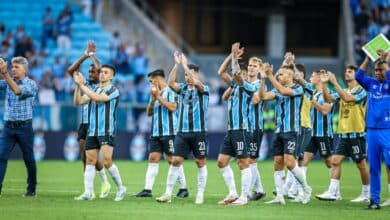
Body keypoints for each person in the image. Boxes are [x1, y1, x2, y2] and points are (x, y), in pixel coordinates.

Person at [156, 52, 209, 204]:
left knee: (200, 162)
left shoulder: (203, 89)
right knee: (175, 161)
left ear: (197, 76)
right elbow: (171, 82)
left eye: (191, 75)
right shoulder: (183, 89)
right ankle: (168, 193)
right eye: (186, 75)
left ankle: (200, 194)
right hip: (182, 133)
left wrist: (185, 66)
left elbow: (196, 83)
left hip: (199, 133)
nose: (188, 77)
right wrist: (177, 65)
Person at [259, 63, 312, 205]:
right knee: (277, 163)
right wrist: (263, 79)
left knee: (290, 163)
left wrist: (270, 75)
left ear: (290, 76)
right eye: (278, 74)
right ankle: (280, 196)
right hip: (279, 131)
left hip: (292, 131)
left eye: (281, 74)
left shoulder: (298, 88)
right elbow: (262, 96)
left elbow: (283, 91)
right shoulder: (278, 89)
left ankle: (306, 188)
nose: (279, 76)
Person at [316, 65, 370, 203]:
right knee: (335, 161)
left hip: (356, 133)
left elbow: (347, 98)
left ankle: (366, 193)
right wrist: (324, 83)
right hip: (343, 134)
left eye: (350, 71)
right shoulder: (343, 90)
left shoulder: (362, 91)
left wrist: (335, 83)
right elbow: (328, 99)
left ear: (357, 75)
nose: (347, 73)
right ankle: (333, 192)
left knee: (361, 165)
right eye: (346, 71)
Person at [73, 64, 126, 201]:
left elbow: (98, 98)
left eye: (106, 72)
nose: (102, 74)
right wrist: (78, 86)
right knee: (90, 161)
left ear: (112, 76)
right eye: (101, 72)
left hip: (106, 130)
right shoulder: (95, 89)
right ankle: (88, 193)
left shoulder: (113, 90)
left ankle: (121, 188)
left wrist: (83, 84)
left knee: (107, 161)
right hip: (92, 130)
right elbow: (78, 101)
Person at [134, 68, 189, 198]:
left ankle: (183, 188)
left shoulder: (171, 91)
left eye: (151, 81)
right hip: (156, 132)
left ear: (157, 79)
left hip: (170, 132)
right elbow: (148, 113)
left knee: (172, 160)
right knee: (153, 158)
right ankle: (147, 190)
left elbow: (174, 107)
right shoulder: (154, 94)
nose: (150, 84)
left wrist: (158, 97)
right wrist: (153, 100)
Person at [68, 41, 111, 199]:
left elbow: (100, 68)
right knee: (84, 156)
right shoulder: (85, 84)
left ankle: (97, 186)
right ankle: (92, 187)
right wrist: (84, 56)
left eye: (94, 71)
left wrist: (92, 55)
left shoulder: (101, 85)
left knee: (90, 156)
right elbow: (71, 71)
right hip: (84, 123)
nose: (92, 73)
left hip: (96, 124)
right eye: (90, 72)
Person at [215, 43, 255, 206]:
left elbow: (237, 74)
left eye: (237, 72)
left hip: (241, 129)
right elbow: (221, 72)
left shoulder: (248, 87)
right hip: (231, 130)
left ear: (245, 74)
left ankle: (244, 197)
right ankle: (232, 193)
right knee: (222, 162)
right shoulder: (234, 85)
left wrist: (235, 60)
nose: (233, 74)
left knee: (243, 162)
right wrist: (231, 56)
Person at [355, 56, 390, 209]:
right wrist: (368, 58)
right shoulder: (371, 84)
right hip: (372, 131)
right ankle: (374, 201)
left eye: (380, 70)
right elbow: (358, 76)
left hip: (387, 130)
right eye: (375, 70)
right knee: (374, 167)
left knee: (389, 164)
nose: (377, 73)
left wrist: (386, 62)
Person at [0, 56, 38, 197]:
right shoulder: (8, 82)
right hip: (8, 127)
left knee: (28, 159)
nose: (13, 70)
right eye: (12, 67)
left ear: (24, 69)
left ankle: (31, 189)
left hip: (24, 127)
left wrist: (4, 73)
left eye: (17, 67)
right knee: (1, 157)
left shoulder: (31, 84)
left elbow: (17, 91)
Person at [295, 70, 334, 202]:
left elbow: (324, 111)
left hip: (323, 133)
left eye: (312, 75)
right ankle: (302, 192)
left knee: (329, 162)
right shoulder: (314, 93)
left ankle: (335, 190)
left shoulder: (328, 93)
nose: (310, 78)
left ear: (319, 78)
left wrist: (312, 101)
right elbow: (302, 83)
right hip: (312, 133)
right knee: (303, 161)